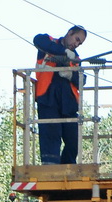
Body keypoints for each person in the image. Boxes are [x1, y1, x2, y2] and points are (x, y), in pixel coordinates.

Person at [33, 26, 87, 165]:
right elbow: (38, 39)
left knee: (74, 139)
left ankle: (67, 166)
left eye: (79, 43)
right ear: (69, 33)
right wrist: (64, 52)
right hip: (48, 98)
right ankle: (51, 167)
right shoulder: (48, 43)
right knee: (51, 135)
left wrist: (71, 75)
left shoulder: (76, 58)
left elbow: (82, 79)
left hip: (67, 103)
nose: (76, 44)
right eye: (76, 39)